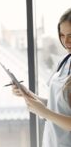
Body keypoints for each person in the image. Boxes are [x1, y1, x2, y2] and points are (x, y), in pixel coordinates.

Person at [12, 8, 71, 147]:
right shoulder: (64, 62)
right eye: (62, 35)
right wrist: (28, 94)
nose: (66, 41)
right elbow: (56, 106)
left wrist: (43, 112)